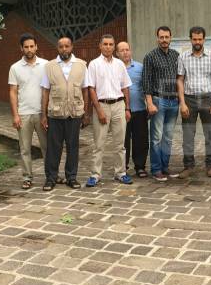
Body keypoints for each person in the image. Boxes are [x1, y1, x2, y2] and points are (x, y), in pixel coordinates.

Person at [84, 34, 133, 187]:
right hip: (102, 105)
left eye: (111, 44)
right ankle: (95, 174)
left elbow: (125, 87)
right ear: (100, 46)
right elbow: (91, 88)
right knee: (99, 144)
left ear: (114, 46)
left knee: (120, 144)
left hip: (119, 105)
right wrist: (98, 110)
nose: (108, 47)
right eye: (105, 44)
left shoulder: (119, 64)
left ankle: (121, 172)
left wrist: (127, 108)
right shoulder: (94, 64)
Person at [40, 36, 88, 191]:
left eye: (67, 46)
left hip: (74, 114)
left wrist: (85, 113)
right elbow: (45, 91)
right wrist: (43, 115)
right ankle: (51, 178)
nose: (64, 49)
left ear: (72, 47)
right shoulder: (49, 66)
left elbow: (85, 89)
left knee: (73, 146)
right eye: (61, 46)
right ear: (57, 48)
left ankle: (71, 177)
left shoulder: (81, 65)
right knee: (54, 147)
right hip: (55, 114)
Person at [177, 26, 211, 178]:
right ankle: (188, 166)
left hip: (207, 98)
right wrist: (182, 103)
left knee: (210, 134)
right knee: (188, 135)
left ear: (204, 39)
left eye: (200, 39)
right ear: (190, 39)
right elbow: (180, 80)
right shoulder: (183, 57)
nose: (197, 41)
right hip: (189, 99)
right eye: (194, 39)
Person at [8, 33, 47, 189]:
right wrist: (15, 115)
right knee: (25, 148)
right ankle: (27, 177)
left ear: (36, 47)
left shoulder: (46, 65)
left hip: (42, 113)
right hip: (23, 113)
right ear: (21, 48)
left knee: (47, 147)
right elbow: (12, 91)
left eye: (32, 46)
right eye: (26, 47)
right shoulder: (15, 68)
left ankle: (51, 175)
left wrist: (47, 112)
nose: (29, 49)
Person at [142, 26, 180, 182]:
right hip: (158, 101)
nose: (164, 40)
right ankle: (156, 169)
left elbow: (180, 78)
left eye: (167, 37)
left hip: (174, 101)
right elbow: (146, 81)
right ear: (157, 38)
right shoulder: (150, 56)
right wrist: (150, 103)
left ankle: (165, 167)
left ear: (171, 38)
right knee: (156, 137)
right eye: (161, 37)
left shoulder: (177, 56)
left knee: (168, 137)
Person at [117, 41, 149, 177]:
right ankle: (122, 167)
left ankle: (140, 166)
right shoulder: (115, 68)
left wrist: (149, 103)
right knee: (122, 141)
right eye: (122, 50)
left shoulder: (140, 67)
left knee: (140, 140)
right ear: (117, 53)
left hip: (139, 109)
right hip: (120, 111)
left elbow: (146, 87)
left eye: (127, 49)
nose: (125, 52)